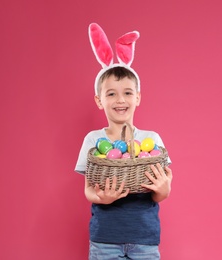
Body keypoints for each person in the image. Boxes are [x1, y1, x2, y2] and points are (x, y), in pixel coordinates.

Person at [75, 23, 173, 260]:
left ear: (138, 97)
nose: (121, 100)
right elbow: (89, 187)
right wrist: (101, 198)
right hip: (105, 239)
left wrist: (164, 191)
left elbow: (162, 184)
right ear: (99, 100)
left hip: (144, 239)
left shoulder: (151, 139)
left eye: (128, 92)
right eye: (111, 94)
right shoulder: (94, 140)